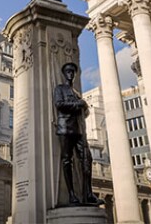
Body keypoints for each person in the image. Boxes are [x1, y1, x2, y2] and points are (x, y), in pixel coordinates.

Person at [54, 62, 101, 206]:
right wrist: (78, 105)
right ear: (64, 73)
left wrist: (84, 107)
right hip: (65, 128)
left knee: (87, 159)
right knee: (67, 160)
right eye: (68, 71)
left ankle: (88, 194)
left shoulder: (76, 92)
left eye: (73, 72)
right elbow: (59, 104)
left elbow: (84, 113)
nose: (71, 74)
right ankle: (72, 195)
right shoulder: (60, 89)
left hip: (79, 130)